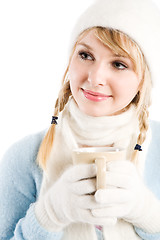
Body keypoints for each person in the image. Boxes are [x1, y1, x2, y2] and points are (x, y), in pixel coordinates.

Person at [1, 0, 160, 239]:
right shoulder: (24, 157)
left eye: (119, 64)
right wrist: (47, 216)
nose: (95, 77)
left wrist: (149, 215)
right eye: (85, 55)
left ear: (143, 81)